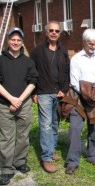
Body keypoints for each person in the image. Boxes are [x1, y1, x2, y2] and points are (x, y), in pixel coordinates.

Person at [0, 28, 38, 185]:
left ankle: (19, 161)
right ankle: (7, 168)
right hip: (5, 104)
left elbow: (33, 82)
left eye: (19, 40)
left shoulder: (28, 61)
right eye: (13, 39)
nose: (16, 42)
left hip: (24, 104)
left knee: (22, 136)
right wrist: (11, 99)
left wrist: (19, 100)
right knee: (6, 137)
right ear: (8, 41)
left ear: (22, 42)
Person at [64, 28, 95, 174]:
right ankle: (72, 161)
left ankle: (92, 155)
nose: (94, 47)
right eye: (91, 44)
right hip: (79, 98)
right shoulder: (76, 59)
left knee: (93, 127)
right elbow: (75, 81)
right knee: (75, 128)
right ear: (84, 42)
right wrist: (87, 94)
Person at [31, 21, 70, 173]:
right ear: (46, 32)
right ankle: (46, 157)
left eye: (57, 31)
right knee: (46, 124)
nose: (54, 33)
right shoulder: (37, 51)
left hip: (58, 93)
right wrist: (34, 92)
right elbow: (32, 73)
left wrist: (64, 89)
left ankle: (52, 148)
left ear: (60, 33)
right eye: (51, 30)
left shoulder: (63, 50)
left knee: (54, 123)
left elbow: (67, 72)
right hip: (43, 93)